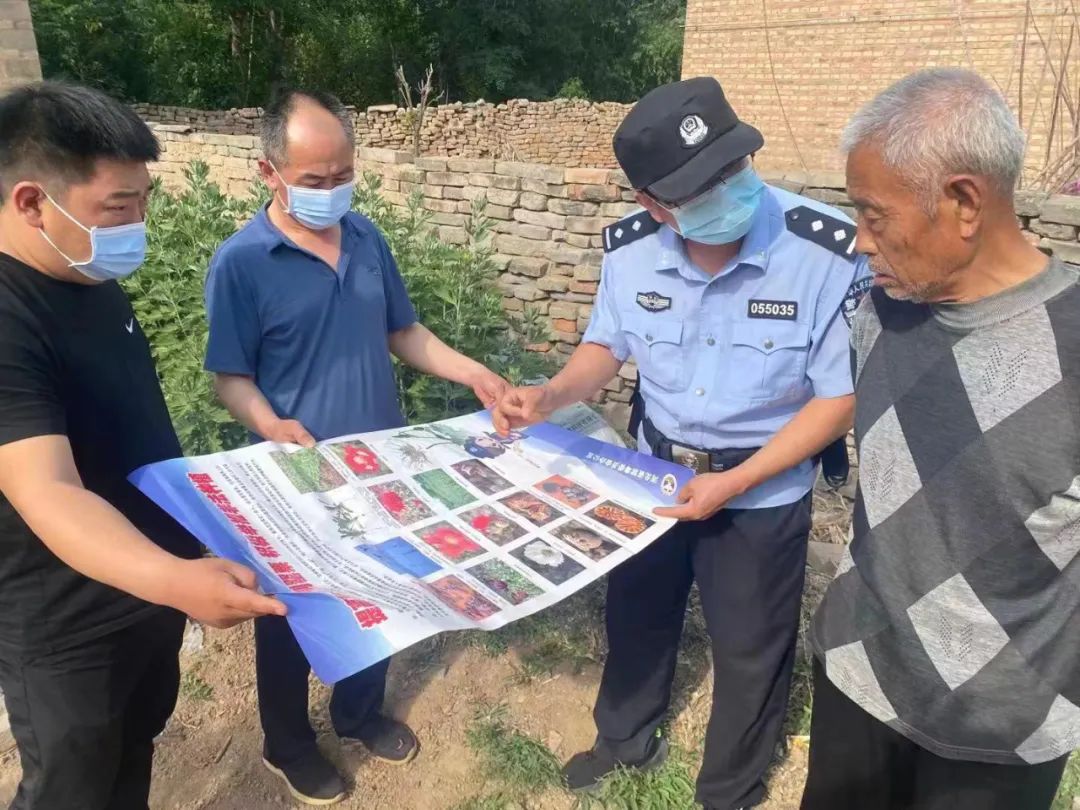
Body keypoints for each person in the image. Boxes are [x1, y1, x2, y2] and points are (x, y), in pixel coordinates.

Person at [493, 76, 867, 810]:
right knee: (637, 614)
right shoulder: (631, 251)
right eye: (702, 186)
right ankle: (623, 739)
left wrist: (736, 483)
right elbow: (607, 344)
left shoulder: (823, 251)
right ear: (653, 205)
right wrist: (551, 395)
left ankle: (730, 787)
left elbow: (839, 400)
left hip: (761, 489)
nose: (729, 191)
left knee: (750, 647)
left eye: (734, 167)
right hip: (652, 476)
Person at [204, 88, 508, 806]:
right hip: (296, 473)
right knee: (289, 614)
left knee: (380, 590)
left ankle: (359, 713)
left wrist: (474, 373)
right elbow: (230, 378)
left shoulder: (366, 237)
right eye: (315, 179)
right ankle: (287, 743)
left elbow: (402, 331)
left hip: (378, 467)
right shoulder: (242, 262)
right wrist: (270, 423)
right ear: (268, 172)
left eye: (344, 174)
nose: (333, 190)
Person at [0, 82, 284, 810]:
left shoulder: (85, 275)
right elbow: (47, 488)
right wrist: (176, 581)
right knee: (72, 786)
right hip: (69, 624)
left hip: (147, 590)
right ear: (31, 202)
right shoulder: (9, 314)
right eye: (118, 208)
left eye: (144, 201)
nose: (138, 224)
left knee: (133, 751)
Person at [803, 67, 1078, 810]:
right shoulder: (882, 311)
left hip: (1001, 727)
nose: (859, 241)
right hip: (859, 670)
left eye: (874, 215)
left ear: (964, 202)